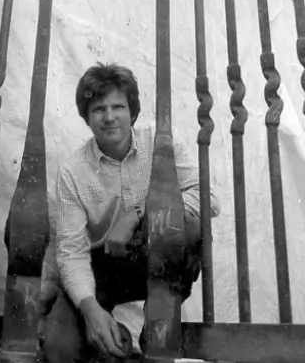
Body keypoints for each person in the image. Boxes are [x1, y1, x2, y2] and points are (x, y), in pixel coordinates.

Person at [38, 63, 219, 362]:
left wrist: (136, 214)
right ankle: (118, 341)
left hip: (162, 259)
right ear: (86, 116)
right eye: (98, 109)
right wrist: (90, 309)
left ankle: (159, 322)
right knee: (60, 349)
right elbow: (71, 252)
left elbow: (208, 198)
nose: (109, 117)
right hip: (106, 269)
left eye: (117, 107)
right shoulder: (73, 170)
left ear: (131, 110)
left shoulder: (160, 142)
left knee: (184, 224)